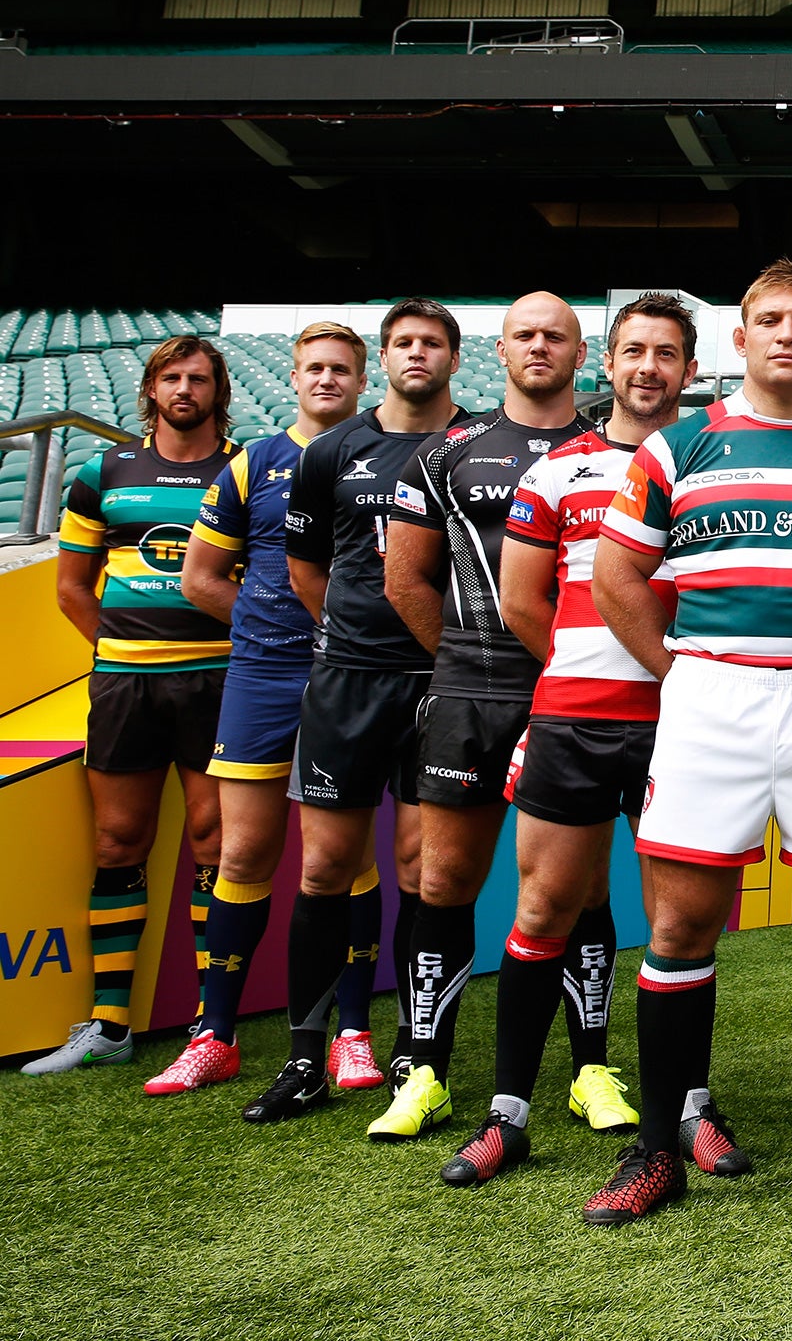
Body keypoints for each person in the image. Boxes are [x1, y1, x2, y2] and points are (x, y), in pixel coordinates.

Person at [582, 260, 792, 1227]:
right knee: (682, 927)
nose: (787, 334)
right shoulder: (676, 449)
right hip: (709, 695)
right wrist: (679, 669)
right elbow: (616, 576)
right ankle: (657, 1150)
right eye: (769, 319)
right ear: (739, 339)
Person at [439, 293, 698, 1188]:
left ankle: (689, 1112)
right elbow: (520, 603)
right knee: (541, 913)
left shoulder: (713, 465)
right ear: (608, 363)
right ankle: (507, 1115)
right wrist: (586, 669)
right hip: (572, 721)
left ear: (689, 371)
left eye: (667, 354)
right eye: (634, 350)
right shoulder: (555, 471)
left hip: (686, 725)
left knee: (678, 926)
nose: (648, 368)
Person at [373, 294, 597, 1142]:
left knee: (574, 887)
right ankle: (425, 1069)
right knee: (444, 883)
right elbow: (404, 580)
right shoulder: (445, 452)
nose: (540, 346)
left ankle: (591, 1072)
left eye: (556, 336)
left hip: (577, 691)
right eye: (525, 335)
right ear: (499, 350)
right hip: (471, 695)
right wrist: (466, 663)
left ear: (584, 352)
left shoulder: (614, 451)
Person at [243, 299, 466, 1123]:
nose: (418, 353)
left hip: (444, 682)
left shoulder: (475, 446)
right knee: (324, 868)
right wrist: (351, 635)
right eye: (404, 341)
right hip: (348, 681)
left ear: (451, 356)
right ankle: (308, 1055)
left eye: (432, 342)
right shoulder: (334, 450)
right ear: (386, 356)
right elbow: (307, 571)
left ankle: (414, 1047)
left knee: (421, 870)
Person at [144, 322, 374, 1096]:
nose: (326, 379)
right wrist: (267, 618)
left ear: (361, 376)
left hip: (352, 678)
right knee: (241, 855)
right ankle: (215, 1036)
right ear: (295, 376)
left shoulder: (383, 456)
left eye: (341, 367)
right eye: (314, 367)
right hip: (263, 675)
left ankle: (351, 1033)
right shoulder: (256, 463)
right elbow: (200, 577)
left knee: (342, 859)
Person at [27, 338, 240, 1075]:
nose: (185, 389)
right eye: (172, 378)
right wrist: (120, 650)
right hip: (125, 685)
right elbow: (71, 588)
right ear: (151, 390)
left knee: (215, 843)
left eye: (199, 379)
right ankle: (110, 1023)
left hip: (217, 682)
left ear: (220, 391)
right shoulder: (103, 472)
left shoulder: (241, 470)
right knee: (118, 842)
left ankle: (210, 1027)